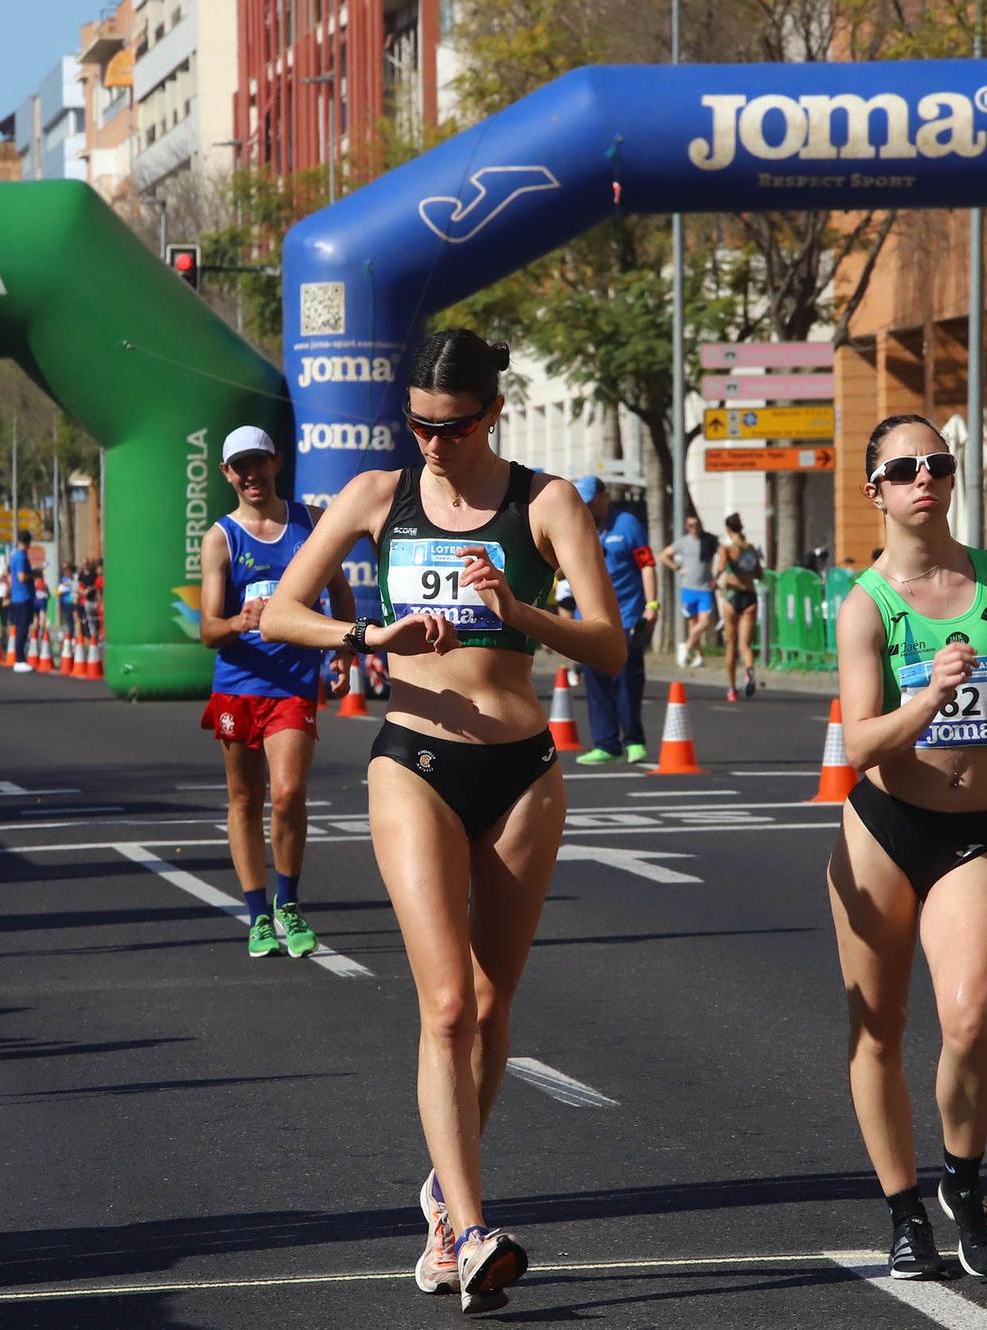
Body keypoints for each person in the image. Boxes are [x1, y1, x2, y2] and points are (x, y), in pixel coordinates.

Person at [260, 329, 624, 1314]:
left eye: (449, 428)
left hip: (519, 771)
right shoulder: (377, 495)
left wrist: (520, 609)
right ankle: (468, 1231)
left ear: (488, 414)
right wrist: (367, 635)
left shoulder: (543, 503)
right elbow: (278, 613)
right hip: (411, 759)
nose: (431, 445)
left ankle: (440, 1192)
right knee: (447, 1005)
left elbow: (610, 645)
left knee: (495, 1007)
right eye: (416, 426)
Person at [826, 413, 987, 1282]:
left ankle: (962, 1180)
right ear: (875, 492)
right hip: (885, 830)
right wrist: (929, 698)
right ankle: (902, 1212)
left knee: (967, 1017)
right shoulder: (867, 605)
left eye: (937, 463)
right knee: (878, 1032)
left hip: (975, 833)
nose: (924, 478)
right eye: (904, 469)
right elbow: (859, 744)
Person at [198, 425, 356, 959]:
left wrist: (343, 650)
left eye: (258, 463)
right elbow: (207, 630)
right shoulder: (221, 538)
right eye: (239, 467)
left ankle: (288, 902)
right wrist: (239, 619)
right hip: (239, 685)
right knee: (244, 799)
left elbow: (338, 591)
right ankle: (257, 914)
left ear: (276, 463)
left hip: (292, 683)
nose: (250, 475)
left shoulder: (310, 522)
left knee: (288, 794)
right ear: (226, 475)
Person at [571, 477, 652, 765]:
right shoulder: (579, 525)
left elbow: (647, 565)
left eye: (591, 500)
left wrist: (651, 605)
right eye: (584, 501)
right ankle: (606, 744)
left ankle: (633, 740)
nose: (588, 505)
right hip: (589, 619)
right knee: (596, 682)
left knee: (627, 680)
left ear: (604, 496)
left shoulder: (628, 524)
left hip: (626, 615)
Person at [716, 512, 764, 701]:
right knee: (745, 645)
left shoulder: (726, 548)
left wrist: (715, 580)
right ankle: (749, 669)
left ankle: (731, 689)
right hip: (750, 596)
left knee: (730, 645)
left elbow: (720, 567)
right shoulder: (751, 549)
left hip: (732, 595)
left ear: (728, 529)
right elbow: (759, 574)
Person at [665, 513, 718, 668]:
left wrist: (718, 576)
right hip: (688, 588)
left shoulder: (709, 540)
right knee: (693, 624)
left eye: (697, 524)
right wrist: (677, 568)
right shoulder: (682, 542)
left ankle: (685, 647)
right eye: (691, 525)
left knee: (705, 622)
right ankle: (698, 656)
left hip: (705, 588)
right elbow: (664, 555)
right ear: (686, 527)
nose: (694, 528)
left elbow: (722, 554)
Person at [5, 529, 36, 672]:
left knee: (19, 629)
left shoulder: (14, 555)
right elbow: (22, 577)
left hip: (16, 597)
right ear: (28, 542)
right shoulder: (22, 557)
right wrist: (34, 574)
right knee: (22, 629)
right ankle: (20, 659)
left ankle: (20, 658)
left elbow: (9, 574)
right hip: (23, 597)